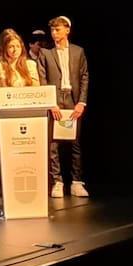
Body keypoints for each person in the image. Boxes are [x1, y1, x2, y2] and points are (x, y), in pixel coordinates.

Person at [36, 16, 89, 198]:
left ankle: (76, 182)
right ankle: (57, 182)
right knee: (53, 144)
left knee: (75, 142)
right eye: (52, 30)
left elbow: (84, 77)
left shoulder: (78, 51)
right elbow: (42, 79)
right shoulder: (46, 53)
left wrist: (81, 102)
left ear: (67, 30)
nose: (54, 33)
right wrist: (51, 102)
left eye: (57, 29)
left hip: (73, 100)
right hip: (55, 101)